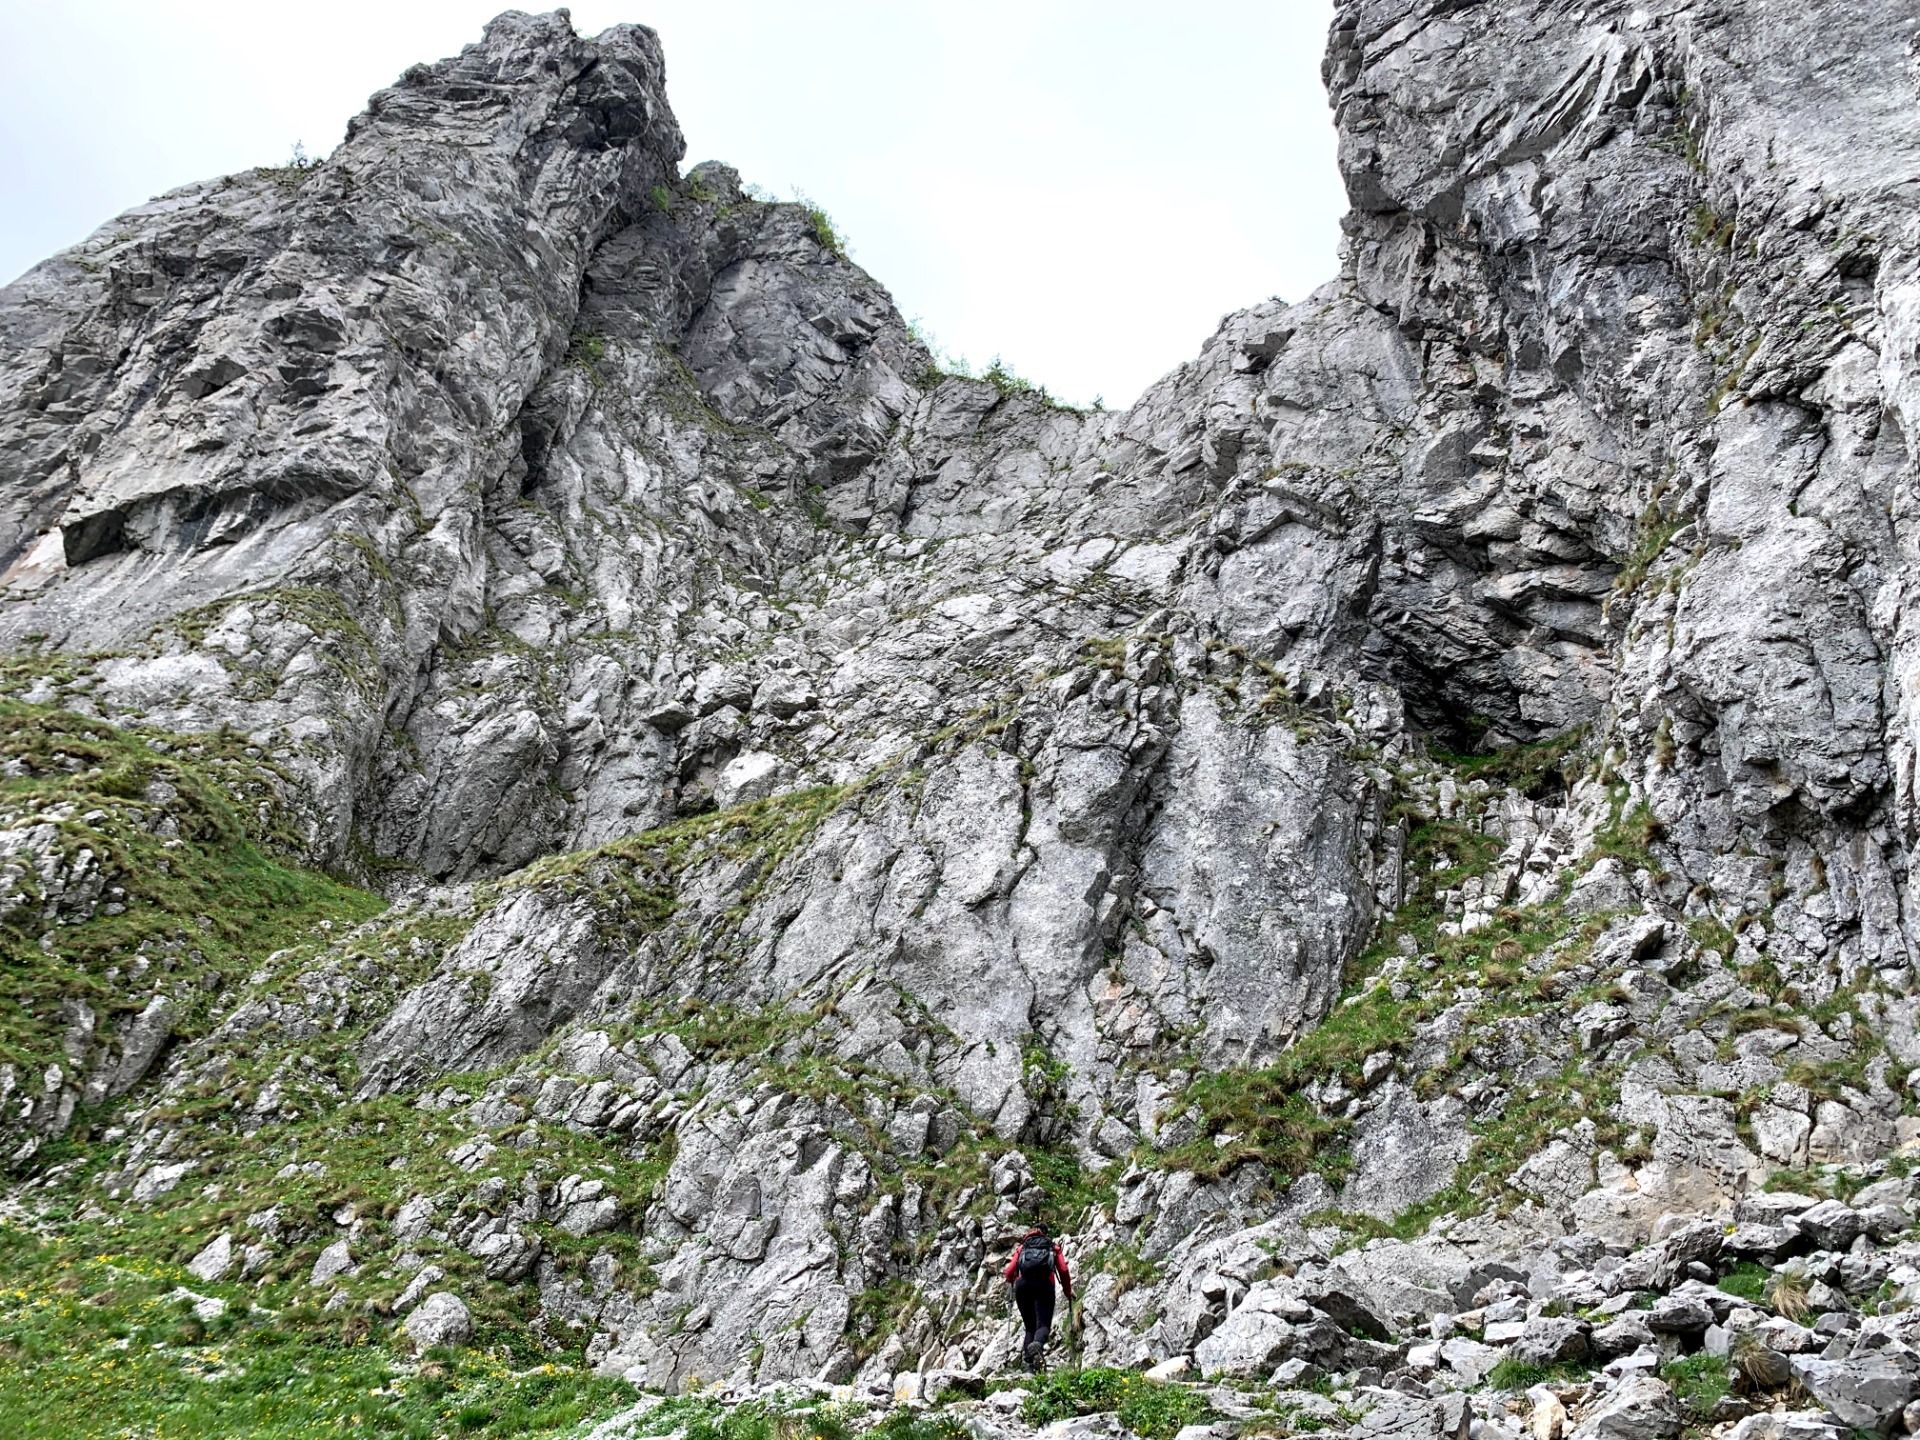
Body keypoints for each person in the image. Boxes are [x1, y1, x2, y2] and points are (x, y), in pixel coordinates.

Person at [1002, 1222, 1074, 1371]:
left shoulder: (1022, 1248)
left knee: (1030, 1326)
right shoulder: (1052, 1247)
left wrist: (1011, 1281)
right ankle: (1038, 1345)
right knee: (1043, 1325)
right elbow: (1064, 1270)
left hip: (1023, 1287)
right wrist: (1067, 1291)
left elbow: (1009, 1272)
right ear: (1045, 1234)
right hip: (1044, 1286)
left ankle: (1029, 1366)